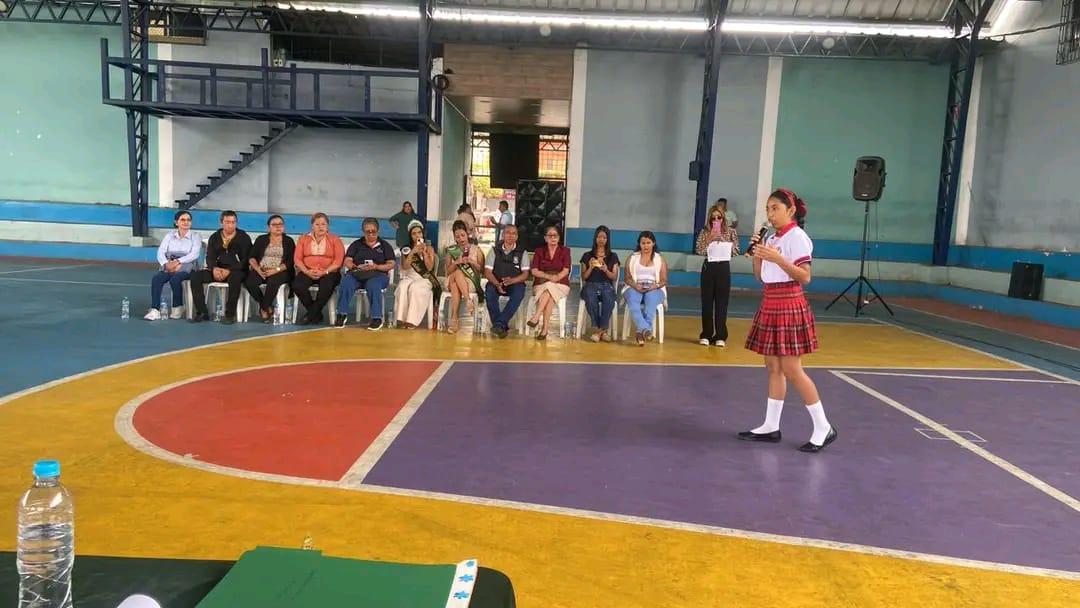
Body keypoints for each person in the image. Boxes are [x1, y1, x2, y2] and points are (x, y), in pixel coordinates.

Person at [738, 188, 837, 453]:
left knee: (792, 368)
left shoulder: (798, 237)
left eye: (775, 208)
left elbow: (805, 276)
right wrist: (758, 256)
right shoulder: (771, 238)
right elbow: (760, 276)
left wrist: (778, 258)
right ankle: (771, 426)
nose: (770, 214)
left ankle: (823, 426)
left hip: (789, 303)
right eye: (768, 209)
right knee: (772, 366)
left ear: (790, 210)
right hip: (770, 301)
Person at [189, 210, 251, 324]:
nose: (230, 225)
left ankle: (230, 314)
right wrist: (214, 268)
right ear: (221, 222)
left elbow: (246, 260)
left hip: (236, 271)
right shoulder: (214, 237)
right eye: (227, 222)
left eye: (233, 222)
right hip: (217, 270)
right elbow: (210, 257)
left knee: (235, 279)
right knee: (196, 277)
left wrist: (230, 270)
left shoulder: (243, 237)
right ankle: (202, 312)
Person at [336, 218, 395, 329]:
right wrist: (356, 267)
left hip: (378, 274)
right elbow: (347, 260)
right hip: (357, 273)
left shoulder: (385, 245)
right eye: (368, 232)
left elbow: (391, 264)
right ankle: (341, 314)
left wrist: (377, 266)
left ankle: (376, 317)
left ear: (378, 231)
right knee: (346, 283)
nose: (371, 234)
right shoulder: (356, 245)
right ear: (363, 232)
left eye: (373, 231)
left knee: (373, 285)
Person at [694, 201, 739, 346]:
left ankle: (720, 335)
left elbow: (736, 251)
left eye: (719, 217)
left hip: (723, 267)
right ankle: (706, 334)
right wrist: (709, 239)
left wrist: (724, 241)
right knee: (707, 302)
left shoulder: (731, 232)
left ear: (723, 218)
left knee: (722, 303)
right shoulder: (704, 232)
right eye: (713, 218)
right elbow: (699, 250)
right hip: (709, 267)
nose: (716, 220)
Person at [145, 210, 201, 320]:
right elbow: (161, 252)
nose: (186, 222)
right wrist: (165, 264)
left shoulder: (195, 236)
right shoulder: (169, 235)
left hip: (187, 265)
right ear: (176, 222)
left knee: (176, 279)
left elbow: (194, 254)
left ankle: (178, 306)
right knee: (157, 279)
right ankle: (155, 309)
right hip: (169, 264)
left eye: (188, 220)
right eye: (183, 220)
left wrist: (178, 262)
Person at [292, 212, 345, 325]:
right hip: (308, 271)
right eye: (317, 224)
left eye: (323, 224)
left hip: (329, 272)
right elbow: (297, 259)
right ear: (312, 226)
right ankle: (316, 313)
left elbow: (338, 261)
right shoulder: (303, 238)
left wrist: (324, 271)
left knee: (327, 286)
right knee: (297, 286)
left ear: (327, 226)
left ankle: (311, 314)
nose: (321, 227)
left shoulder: (335, 239)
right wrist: (306, 271)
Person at [244, 214, 295, 322]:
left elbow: (290, 261)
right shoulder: (261, 239)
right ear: (268, 227)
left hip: (280, 270)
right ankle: (267, 305)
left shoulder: (288, 241)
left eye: (280, 224)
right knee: (249, 282)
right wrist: (257, 269)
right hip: (261, 269)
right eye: (274, 224)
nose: (278, 227)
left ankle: (263, 308)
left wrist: (275, 270)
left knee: (273, 282)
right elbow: (252, 257)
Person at [483, 224, 529, 338]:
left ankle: (499, 324)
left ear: (517, 237)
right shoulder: (494, 251)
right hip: (496, 282)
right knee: (489, 292)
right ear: (503, 235)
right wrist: (496, 284)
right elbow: (487, 272)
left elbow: (525, 274)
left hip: (515, 283)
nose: (511, 236)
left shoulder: (522, 252)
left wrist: (513, 280)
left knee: (519, 293)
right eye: (508, 232)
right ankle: (501, 325)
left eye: (514, 233)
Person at [621, 231, 667, 346]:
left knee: (650, 303)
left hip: (654, 287)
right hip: (634, 285)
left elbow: (663, 280)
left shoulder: (659, 259)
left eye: (648, 243)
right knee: (633, 303)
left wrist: (655, 286)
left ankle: (640, 331)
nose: (646, 246)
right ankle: (646, 329)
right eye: (643, 243)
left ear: (653, 243)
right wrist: (635, 285)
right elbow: (626, 278)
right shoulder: (632, 258)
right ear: (639, 244)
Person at [394, 220, 440, 328]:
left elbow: (429, 268)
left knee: (415, 288)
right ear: (410, 236)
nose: (417, 235)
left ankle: (412, 321)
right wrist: (413, 252)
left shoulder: (429, 248)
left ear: (423, 233)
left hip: (425, 278)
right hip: (409, 276)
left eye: (419, 232)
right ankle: (400, 319)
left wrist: (424, 253)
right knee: (402, 286)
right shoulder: (406, 249)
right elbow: (405, 266)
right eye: (414, 233)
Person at [579, 225, 619, 342]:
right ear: (595, 238)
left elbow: (614, 277)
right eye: (599, 237)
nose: (601, 240)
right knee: (590, 298)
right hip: (590, 284)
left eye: (604, 237)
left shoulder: (613, 256)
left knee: (609, 298)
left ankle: (598, 332)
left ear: (607, 239)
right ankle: (601, 330)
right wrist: (590, 267)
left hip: (606, 285)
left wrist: (606, 270)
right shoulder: (587, 256)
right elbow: (584, 277)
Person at [443, 220, 485, 333]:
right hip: (451, 279)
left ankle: (454, 318)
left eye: (462, 235)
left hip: (471, 281)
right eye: (457, 237)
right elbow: (448, 272)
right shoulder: (451, 250)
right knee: (456, 273)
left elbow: (482, 270)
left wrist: (472, 262)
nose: (460, 239)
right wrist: (456, 262)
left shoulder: (476, 250)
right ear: (454, 237)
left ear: (467, 234)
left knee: (456, 280)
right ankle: (468, 300)